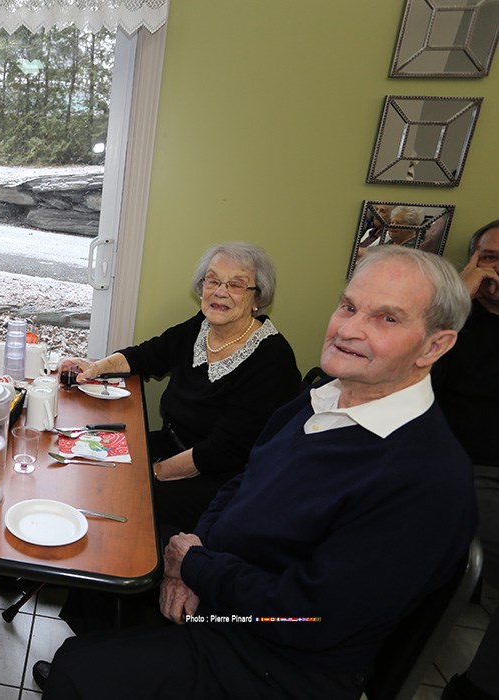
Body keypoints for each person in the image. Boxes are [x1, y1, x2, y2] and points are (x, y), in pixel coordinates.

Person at [40, 246, 477, 700]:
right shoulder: (322, 397)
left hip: (274, 655)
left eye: (387, 318)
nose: (348, 329)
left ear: (435, 345)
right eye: (348, 306)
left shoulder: (426, 480)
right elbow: (246, 477)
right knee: (114, 551)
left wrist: (197, 567)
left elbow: (310, 618)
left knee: (80, 672)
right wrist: (191, 556)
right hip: (230, 586)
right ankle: (106, 644)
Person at [61, 242, 300, 538]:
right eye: (212, 280)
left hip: (223, 481)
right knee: (90, 457)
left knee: (118, 502)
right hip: (172, 446)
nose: (219, 291)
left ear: (257, 298)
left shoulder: (271, 359)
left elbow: (221, 452)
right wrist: (94, 368)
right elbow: (147, 354)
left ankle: (106, 578)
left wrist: (152, 475)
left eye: (236, 285)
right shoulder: (202, 326)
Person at [433, 220, 499, 700]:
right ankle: (476, 690)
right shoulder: (453, 325)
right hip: (468, 469)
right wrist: (458, 294)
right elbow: (403, 371)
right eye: (491, 258)